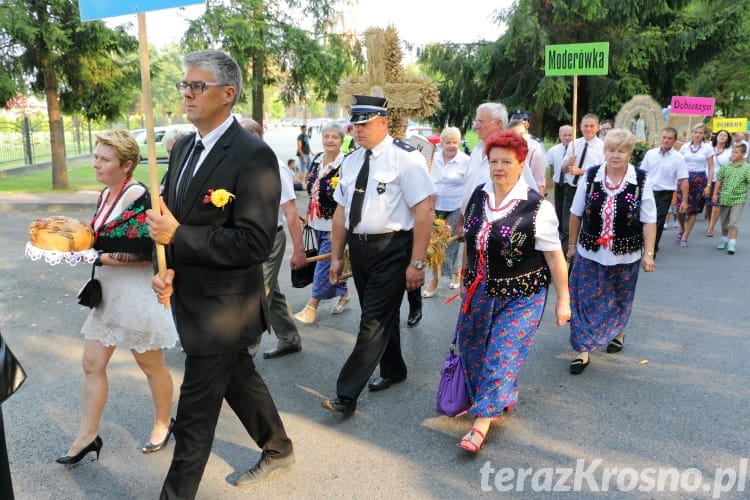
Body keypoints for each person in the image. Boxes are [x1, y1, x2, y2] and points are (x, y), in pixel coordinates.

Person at [147, 50, 293, 498]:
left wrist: (180, 236)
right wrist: (163, 269)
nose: (187, 94)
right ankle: (279, 448)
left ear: (227, 94)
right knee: (239, 380)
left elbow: (253, 242)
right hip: (189, 300)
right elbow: (167, 222)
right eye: (184, 85)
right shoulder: (185, 147)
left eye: (197, 86)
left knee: (193, 419)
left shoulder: (253, 156)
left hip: (226, 311)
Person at [56, 130, 178, 466]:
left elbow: (144, 252)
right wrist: (76, 243)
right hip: (107, 294)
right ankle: (87, 436)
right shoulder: (107, 194)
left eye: (104, 159)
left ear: (126, 165)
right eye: (96, 157)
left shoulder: (138, 195)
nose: (96, 163)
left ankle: (163, 423)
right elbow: (99, 239)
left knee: (150, 366)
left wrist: (94, 257)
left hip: (136, 295)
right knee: (91, 364)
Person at [455, 130, 570, 453]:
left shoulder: (537, 208)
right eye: (494, 161)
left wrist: (564, 298)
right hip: (480, 291)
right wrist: (465, 278)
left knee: (502, 354)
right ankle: (497, 396)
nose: (499, 167)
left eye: (507, 161)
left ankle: (481, 422)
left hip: (523, 296)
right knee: (474, 349)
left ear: (522, 164)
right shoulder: (479, 196)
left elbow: (554, 257)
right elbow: (470, 242)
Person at [321, 94, 435, 414]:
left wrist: (417, 261)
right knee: (380, 314)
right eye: (354, 125)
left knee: (372, 319)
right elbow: (342, 212)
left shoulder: (405, 158)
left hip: (393, 246)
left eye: (365, 124)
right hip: (360, 247)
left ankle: (346, 394)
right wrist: (336, 256)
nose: (357, 131)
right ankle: (394, 369)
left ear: (383, 123)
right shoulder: (353, 159)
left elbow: (424, 209)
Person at [567, 129, 656, 375]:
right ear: (605, 151)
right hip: (590, 250)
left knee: (619, 298)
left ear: (629, 152)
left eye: (621, 150)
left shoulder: (641, 180)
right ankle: (582, 349)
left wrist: (649, 254)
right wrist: (572, 246)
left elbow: (649, 220)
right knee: (584, 298)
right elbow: (576, 213)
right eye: (611, 149)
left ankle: (617, 330)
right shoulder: (592, 177)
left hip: (626, 254)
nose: (615, 155)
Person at [240, 118, 307, 359]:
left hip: (270, 239)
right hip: (249, 239)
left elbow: (290, 211)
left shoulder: (274, 167)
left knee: (257, 295)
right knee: (271, 292)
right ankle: (290, 339)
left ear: (255, 136)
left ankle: (244, 356)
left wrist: (299, 251)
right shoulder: (247, 161)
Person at [294, 122, 351, 324]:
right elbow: (311, 189)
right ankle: (343, 293)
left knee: (323, 265)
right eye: (326, 136)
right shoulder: (317, 159)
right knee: (318, 261)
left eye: (334, 137)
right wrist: (307, 214)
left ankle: (312, 306)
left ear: (341, 141)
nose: (329, 140)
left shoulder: (346, 164)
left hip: (332, 226)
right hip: (313, 223)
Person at [422, 126, 469, 297]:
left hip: (456, 206)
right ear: (441, 143)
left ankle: (437, 279)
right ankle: (450, 273)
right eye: (448, 142)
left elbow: (469, 187)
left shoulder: (465, 161)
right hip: (434, 207)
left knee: (449, 245)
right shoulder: (432, 159)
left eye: (455, 142)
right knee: (434, 244)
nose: (451, 145)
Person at [638, 127, 688, 254]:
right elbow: (641, 173)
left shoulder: (678, 158)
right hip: (647, 191)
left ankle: (651, 250)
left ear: (675, 140)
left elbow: (683, 179)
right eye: (664, 137)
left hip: (665, 194)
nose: (666, 141)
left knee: (658, 221)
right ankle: (641, 243)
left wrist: (684, 201)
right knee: (641, 218)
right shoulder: (651, 153)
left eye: (670, 138)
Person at [560, 114, 605, 250]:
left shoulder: (603, 147)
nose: (588, 129)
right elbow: (563, 170)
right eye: (585, 126)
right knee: (567, 224)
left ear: (597, 127)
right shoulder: (574, 144)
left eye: (592, 126)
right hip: (572, 189)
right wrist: (569, 163)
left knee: (588, 224)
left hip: (591, 190)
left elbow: (602, 172)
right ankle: (566, 253)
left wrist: (581, 171)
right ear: (580, 127)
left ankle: (584, 251)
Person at [676, 124, 714, 248]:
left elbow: (711, 167)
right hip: (684, 179)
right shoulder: (685, 147)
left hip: (699, 179)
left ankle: (685, 236)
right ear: (692, 133)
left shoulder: (707, 148)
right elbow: (678, 163)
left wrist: (708, 185)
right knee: (680, 208)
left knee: (693, 210)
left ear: (704, 135)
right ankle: (682, 228)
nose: (697, 135)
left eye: (700, 133)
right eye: (695, 132)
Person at [712, 143, 750, 254]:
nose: (733, 154)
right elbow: (719, 180)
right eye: (732, 152)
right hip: (725, 197)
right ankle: (724, 240)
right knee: (724, 222)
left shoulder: (747, 168)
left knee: (733, 222)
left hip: (738, 198)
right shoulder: (726, 166)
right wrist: (715, 194)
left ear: (743, 154)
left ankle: (732, 243)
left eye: (736, 152)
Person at [547, 124, 574, 237]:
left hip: (571, 184)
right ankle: (559, 232)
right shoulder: (553, 150)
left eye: (570, 135)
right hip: (559, 184)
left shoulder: (576, 150)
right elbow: (549, 167)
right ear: (559, 136)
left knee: (567, 211)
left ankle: (566, 233)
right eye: (565, 135)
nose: (567, 137)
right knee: (558, 208)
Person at [509, 118, 547, 196]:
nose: (518, 137)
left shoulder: (535, 149)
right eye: (513, 135)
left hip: (529, 194)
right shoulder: (503, 150)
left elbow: (539, 181)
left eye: (521, 134)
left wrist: (540, 202)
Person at [706, 129, 732, 237]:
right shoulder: (709, 148)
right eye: (720, 135)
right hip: (708, 178)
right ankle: (709, 223)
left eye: (725, 135)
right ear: (716, 137)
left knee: (716, 204)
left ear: (727, 139)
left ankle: (711, 227)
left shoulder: (730, 151)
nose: (722, 137)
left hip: (722, 180)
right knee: (708, 205)